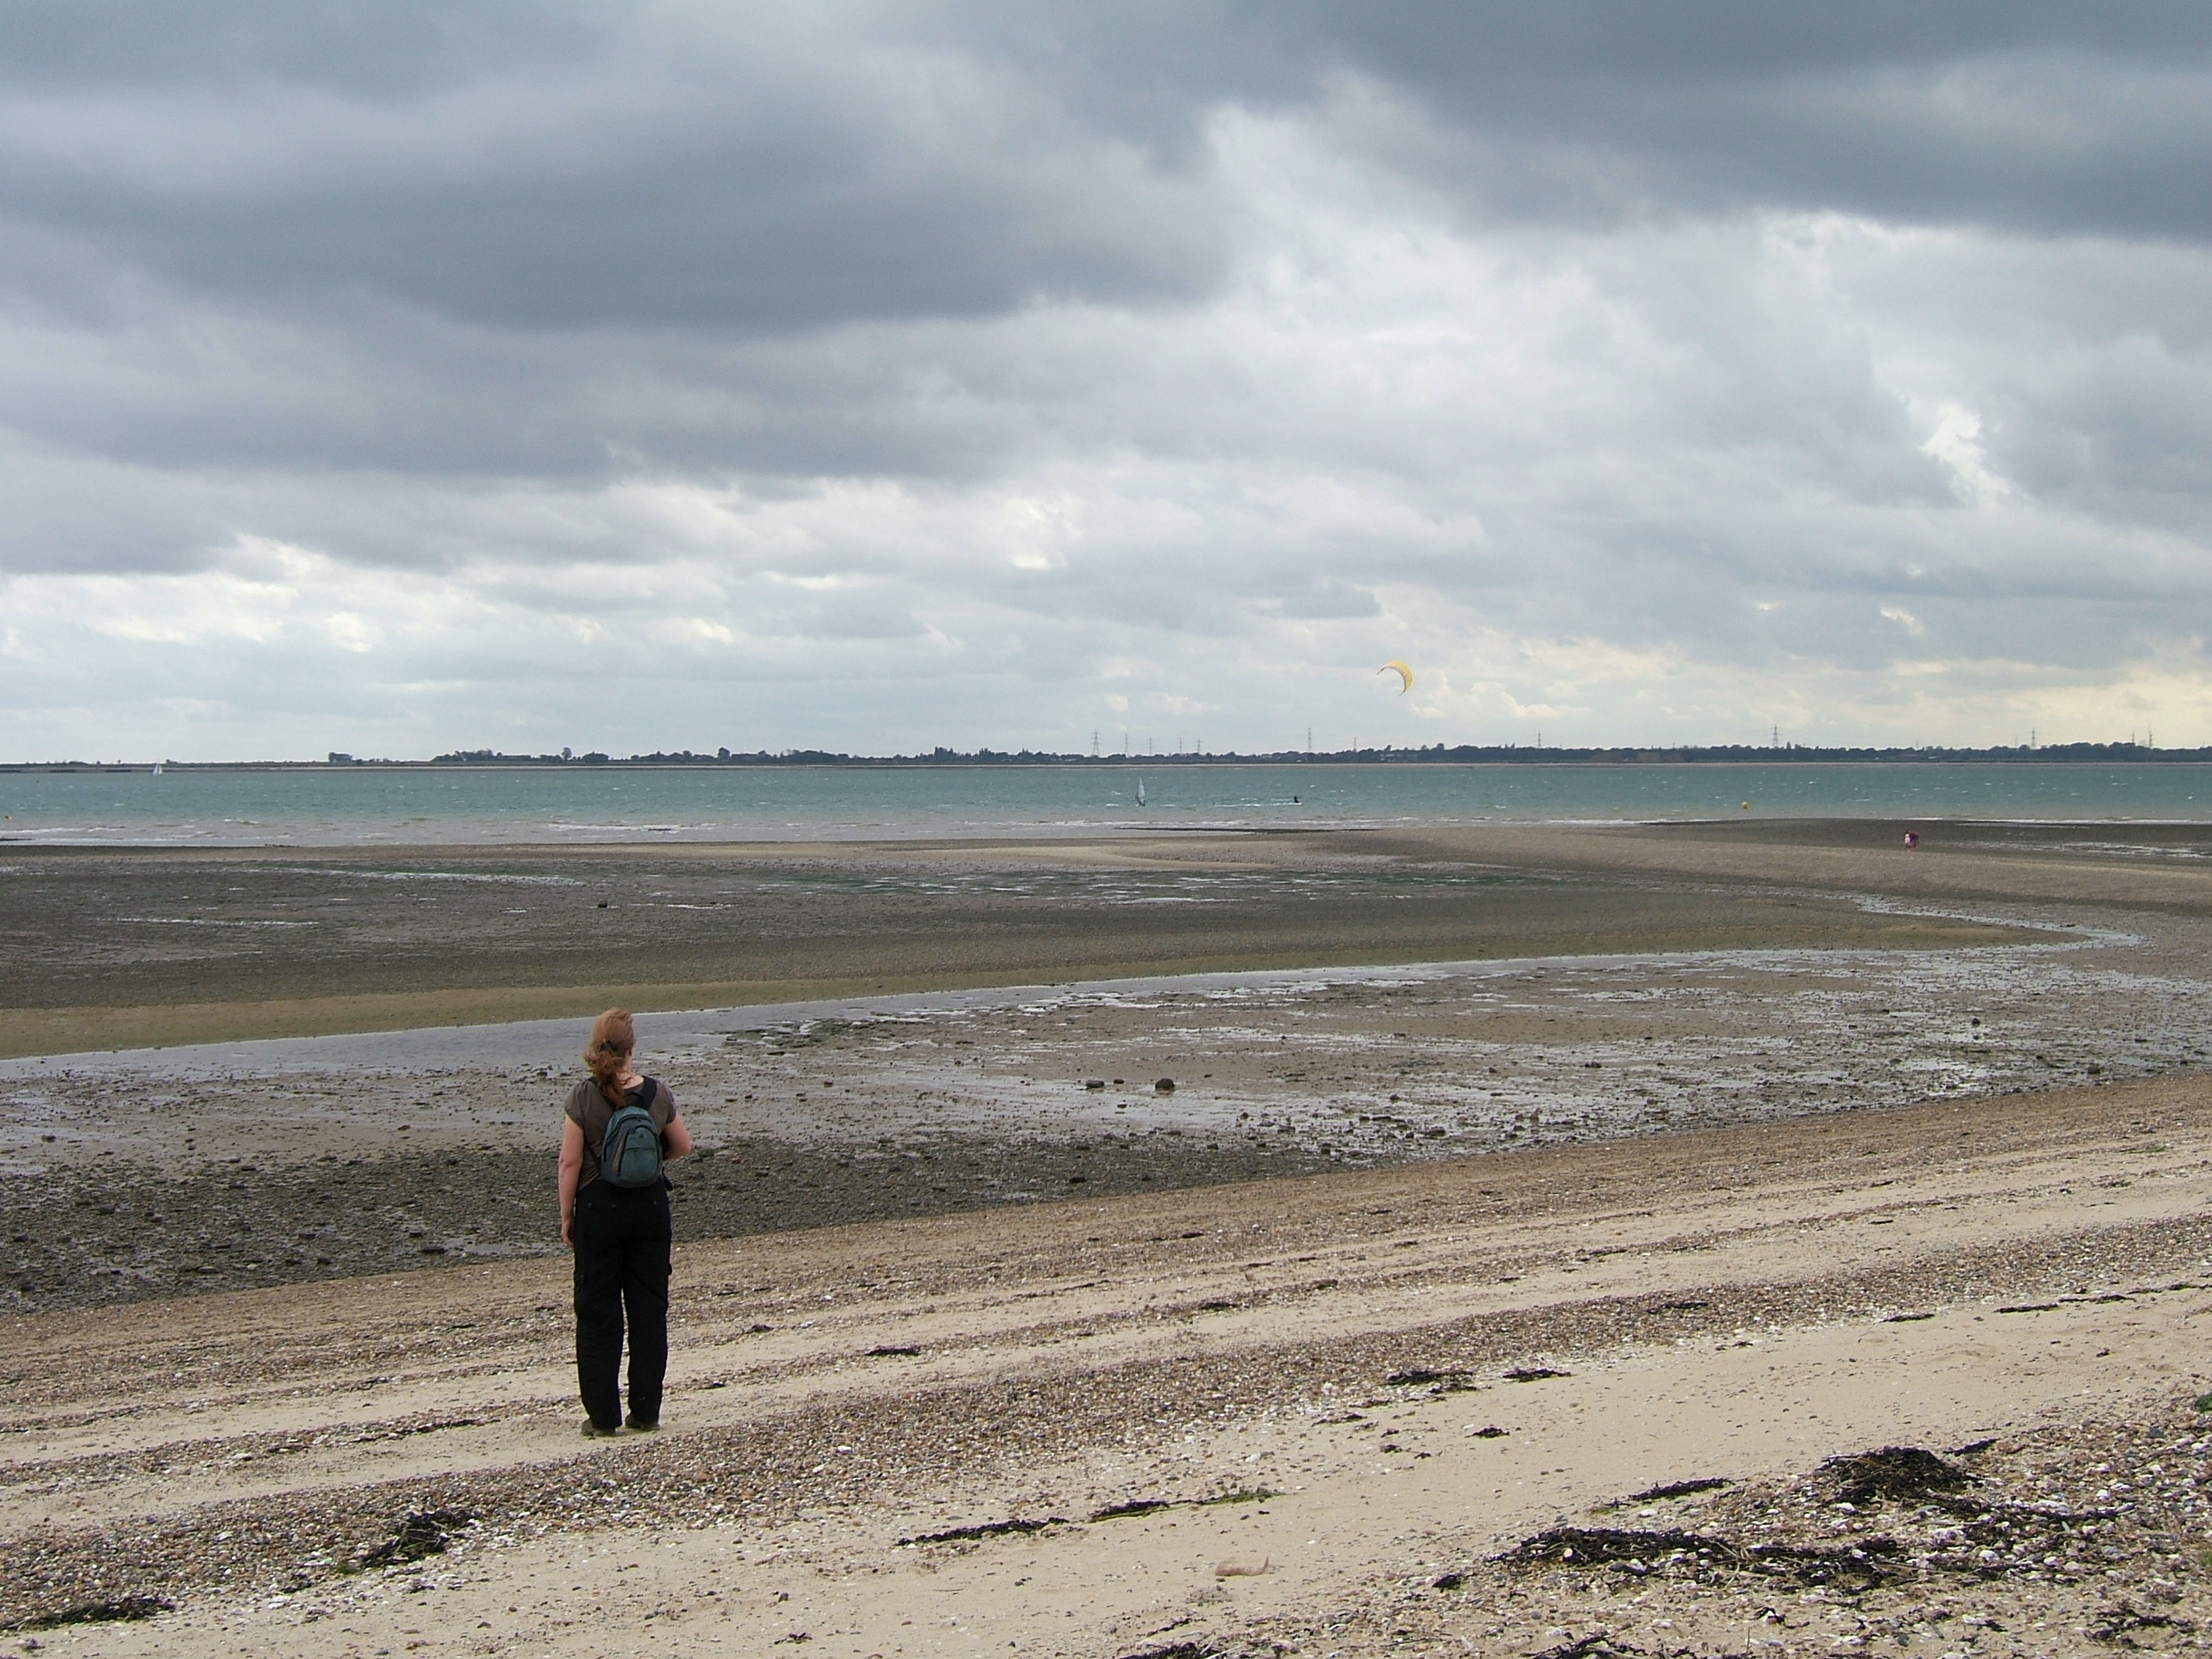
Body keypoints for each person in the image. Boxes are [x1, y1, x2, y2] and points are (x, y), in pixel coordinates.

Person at [559, 1008, 693, 1437]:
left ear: (596, 1046)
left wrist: (567, 1213)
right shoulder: (656, 1093)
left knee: (598, 1312)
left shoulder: (583, 1096)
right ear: (633, 1048)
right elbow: (683, 1146)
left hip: (599, 1208)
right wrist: (649, 1162)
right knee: (649, 1309)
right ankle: (646, 1411)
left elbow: (570, 1162)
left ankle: (601, 1417)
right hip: (650, 1206)